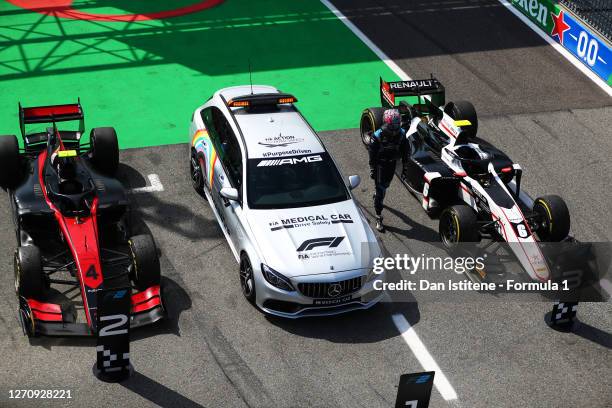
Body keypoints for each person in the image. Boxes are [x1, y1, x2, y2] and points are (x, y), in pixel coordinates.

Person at [368, 109, 409, 232]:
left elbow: (406, 150)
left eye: (397, 124)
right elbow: (372, 154)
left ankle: (378, 194)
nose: (395, 128)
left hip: (392, 164)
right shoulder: (377, 136)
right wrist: (372, 168)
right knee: (380, 192)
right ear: (386, 123)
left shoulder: (402, 133)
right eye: (393, 125)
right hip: (380, 165)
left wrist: (405, 166)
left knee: (385, 187)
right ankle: (378, 216)